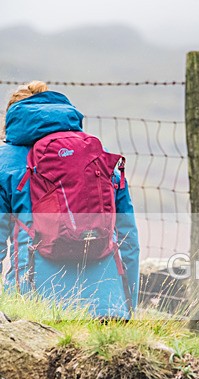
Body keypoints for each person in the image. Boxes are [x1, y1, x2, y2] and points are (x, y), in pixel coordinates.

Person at [0, 81, 139, 319]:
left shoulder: (5, 163)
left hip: (33, 304)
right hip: (107, 306)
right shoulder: (97, 156)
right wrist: (126, 305)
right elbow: (129, 239)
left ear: (13, 118)